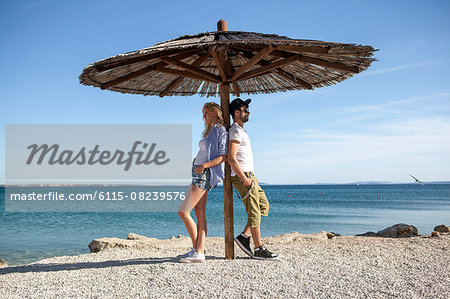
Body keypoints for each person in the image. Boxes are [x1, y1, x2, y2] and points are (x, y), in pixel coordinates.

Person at [228, 98, 279, 260]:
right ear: (237, 113)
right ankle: (258, 249)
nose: (248, 112)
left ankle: (244, 236)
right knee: (254, 211)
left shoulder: (241, 131)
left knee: (263, 206)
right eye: (245, 109)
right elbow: (231, 157)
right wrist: (243, 178)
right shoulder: (235, 131)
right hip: (243, 176)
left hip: (251, 176)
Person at [178, 102, 228, 263]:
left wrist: (203, 166)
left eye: (206, 112)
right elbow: (206, 152)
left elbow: (223, 156)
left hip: (204, 173)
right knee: (199, 213)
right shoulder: (210, 132)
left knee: (183, 212)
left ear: (215, 113)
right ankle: (198, 250)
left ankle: (197, 250)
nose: (203, 116)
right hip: (198, 172)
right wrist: (196, 161)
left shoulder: (220, 130)